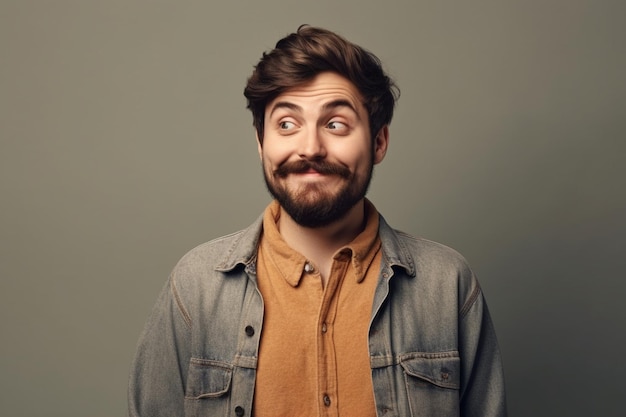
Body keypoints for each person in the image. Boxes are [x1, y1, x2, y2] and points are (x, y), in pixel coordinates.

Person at [128, 25, 507, 417]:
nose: (310, 148)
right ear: (261, 142)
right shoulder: (195, 288)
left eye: (336, 124)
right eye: (287, 125)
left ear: (378, 142)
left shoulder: (448, 285)